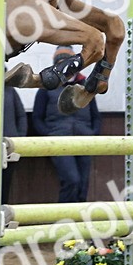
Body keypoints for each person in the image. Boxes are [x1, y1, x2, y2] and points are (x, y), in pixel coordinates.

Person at [31, 46, 102, 203]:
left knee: (83, 185)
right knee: (72, 180)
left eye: (68, 63)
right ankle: (64, 222)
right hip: (59, 140)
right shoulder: (45, 89)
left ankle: (78, 223)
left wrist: (92, 133)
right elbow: (37, 118)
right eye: (61, 63)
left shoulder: (85, 87)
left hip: (85, 140)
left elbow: (95, 116)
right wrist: (49, 135)